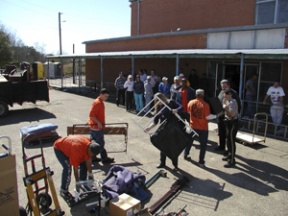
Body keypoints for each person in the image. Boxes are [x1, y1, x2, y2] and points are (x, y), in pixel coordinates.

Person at [144, 93, 183, 171]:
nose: (157, 102)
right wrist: (148, 128)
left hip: (172, 128)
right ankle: (162, 163)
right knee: (162, 146)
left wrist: (176, 110)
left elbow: (181, 107)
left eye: (158, 100)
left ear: (162, 98)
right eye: (156, 101)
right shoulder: (158, 108)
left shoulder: (171, 102)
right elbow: (155, 121)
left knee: (173, 147)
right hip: (163, 128)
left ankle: (175, 166)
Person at [185, 89, 217, 167]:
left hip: (193, 126)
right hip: (203, 128)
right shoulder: (205, 105)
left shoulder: (190, 102)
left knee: (189, 141)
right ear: (203, 95)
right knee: (203, 145)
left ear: (196, 95)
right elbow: (207, 117)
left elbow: (189, 112)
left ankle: (186, 154)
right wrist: (216, 116)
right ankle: (201, 161)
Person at [88, 88, 115, 163]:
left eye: (107, 96)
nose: (107, 98)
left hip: (94, 126)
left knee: (93, 143)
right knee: (100, 143)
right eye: (105, 96)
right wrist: (99, 123)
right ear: (101, 94)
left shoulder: (99, 102)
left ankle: (93, 157)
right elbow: (91, 115)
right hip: (96, 128)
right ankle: (104, 158)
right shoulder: (98, 103)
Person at [216, 79, 241, 152]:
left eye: (225, 86)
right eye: (222, 86)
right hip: (220, 115)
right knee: (221, 132)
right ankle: (221, 146)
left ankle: (229, 150)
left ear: (229, 86)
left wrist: (235, 115)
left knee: (228, 134)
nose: (223, 88)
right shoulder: (221, 92)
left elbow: (238, 105)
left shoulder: (233, 93)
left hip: (229, 117)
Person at [222, 89, 238, 168]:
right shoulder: (225, 100)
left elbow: (232, 114)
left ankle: (232, 160)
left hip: (232, 123)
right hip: (227, 122)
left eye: (225, 94)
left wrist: (225, 108)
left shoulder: (232, 102)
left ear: (230, 94)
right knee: (228, 140)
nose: (224, 95)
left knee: (231, 141)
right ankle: (229, 155)